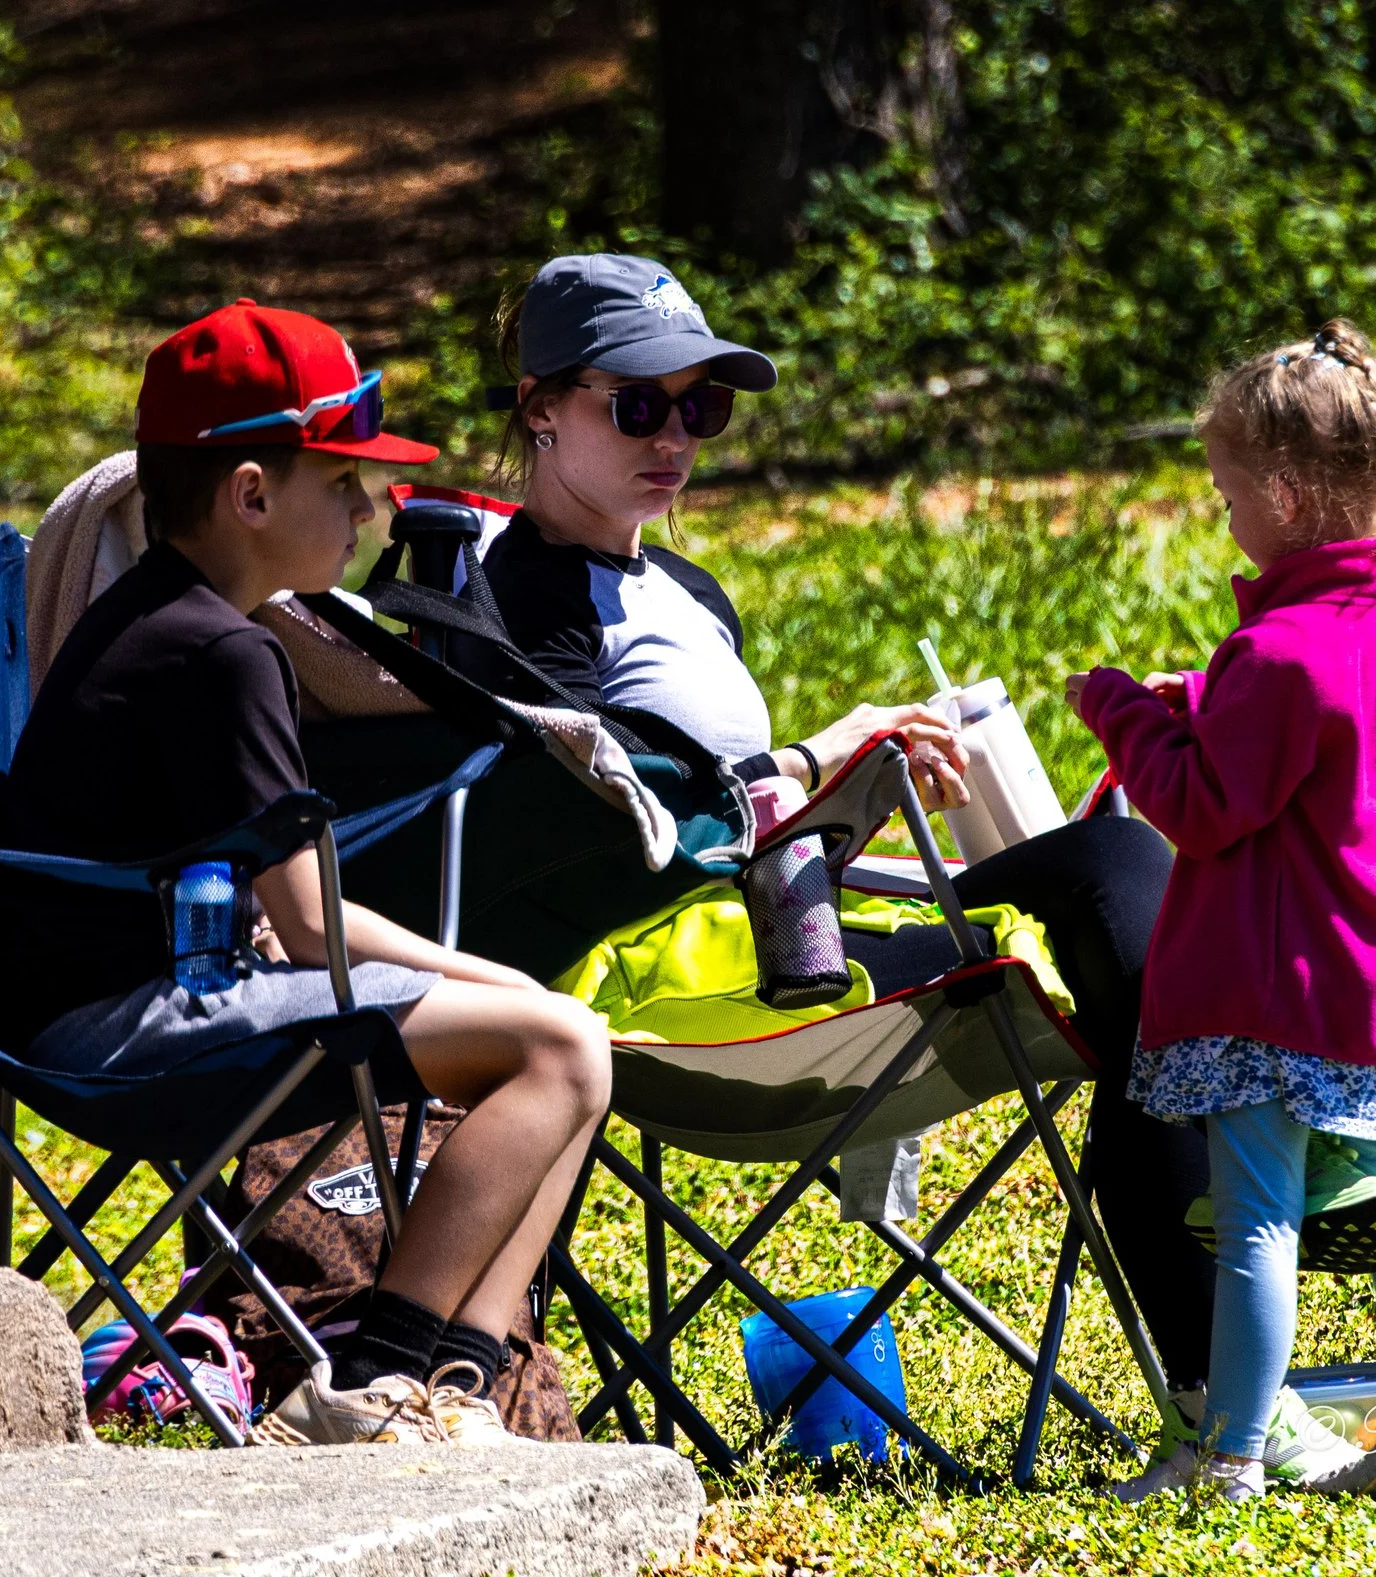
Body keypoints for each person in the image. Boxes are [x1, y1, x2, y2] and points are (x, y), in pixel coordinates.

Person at [475, 253, 1219, 1427]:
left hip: (785, 921)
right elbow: (613, 835)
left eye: (702, 406)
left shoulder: (683, 587)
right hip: (684, 990)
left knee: (1121, 870)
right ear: (540, 407)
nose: (675, 435)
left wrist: (858, 786)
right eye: (638, 404)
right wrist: (819, 758)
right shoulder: (517, 603)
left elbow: (747, 821)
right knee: (1120, 888)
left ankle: (1221, 1354)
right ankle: (1223, 1366)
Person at [0, 300, 613, 1449]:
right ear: (251, 493)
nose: (366, 512)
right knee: (558, 1044)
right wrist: (492, 977)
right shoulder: (223, 650)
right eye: (342, 484)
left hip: (76, 1009)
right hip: (122, 1030)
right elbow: (311, 927)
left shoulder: (152, 617)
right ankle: (366, 1383)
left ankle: (456, 1390)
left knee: (563, 1038)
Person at [1071, 322, 1376, 1501]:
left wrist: (1123, 715)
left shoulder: (1282, 648)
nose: (1224, 516)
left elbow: (1200, 808)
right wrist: (1201, 693)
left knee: (1255, 1218)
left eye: (1228, 494)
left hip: (1269, 989)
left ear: (1288, 494)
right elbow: (1338, 755)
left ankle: (1228, 1452)